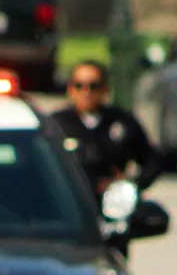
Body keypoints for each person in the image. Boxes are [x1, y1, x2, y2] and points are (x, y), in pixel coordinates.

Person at [51, 60, 161, 199]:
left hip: (113, 201)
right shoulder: (57, 124)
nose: (86, 92)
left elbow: (152, 161)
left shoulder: (121, 121)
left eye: (93, 86)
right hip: (69, 201)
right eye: (79, 86)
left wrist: (131, 185)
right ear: (70, 89)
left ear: (105, 89)